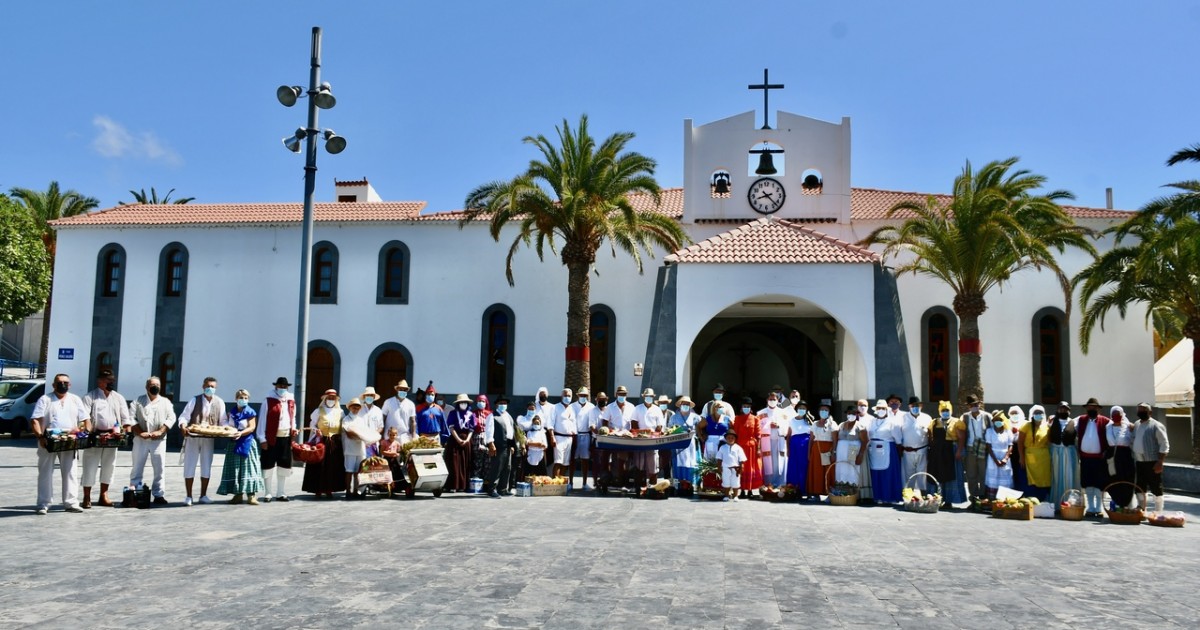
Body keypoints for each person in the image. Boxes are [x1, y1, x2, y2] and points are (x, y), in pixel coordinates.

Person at [31, 373, 89, 514]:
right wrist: (40, 437)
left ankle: (71, 502)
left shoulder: (75, 399)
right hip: (48, 441)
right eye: (59, 382)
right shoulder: (45, 399)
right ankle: (43, 503)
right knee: (45, 472)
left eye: (65, 382)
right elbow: (35, 420)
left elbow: (86, 420)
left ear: (69, 385)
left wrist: (82, 431)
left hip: (69, 441)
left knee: (70, 471)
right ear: (53, 385)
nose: (62, 385)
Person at [80, 369, 130, 508]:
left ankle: (104, 495)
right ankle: (87, 496)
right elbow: (85, 418)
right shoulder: (90, 397)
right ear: (100, 381)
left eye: (112, 381)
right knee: (90, 466)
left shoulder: (118, 398)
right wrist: (89, 433)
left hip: (113, 436)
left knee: (109, 466)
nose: (111, 383)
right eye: (108, 381)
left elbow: (126, 418)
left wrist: (126, 431)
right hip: (95, 436)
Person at [178, 376, 228, 506]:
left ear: (216, 388)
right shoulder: (195, 400)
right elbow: (184, 416)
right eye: (208, 386)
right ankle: (188, 496)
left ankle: (203, 495)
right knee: (190, 465)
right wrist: (183, 425)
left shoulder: (219, 402)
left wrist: (228, 428)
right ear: (203, 387)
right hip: (193, 436)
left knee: (206, 465)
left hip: (209, 437)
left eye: (212, 386)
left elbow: (223, 421)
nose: (210, 388)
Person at [129, 376, 175, 505]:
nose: (155, 387)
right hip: (140, 439)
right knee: (137, 467)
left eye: (157, 385)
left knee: (159, 468)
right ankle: (135, 492)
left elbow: (171, 417)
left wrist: (161, 431)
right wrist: (139, 432)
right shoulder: (138, 401)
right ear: (146, 387)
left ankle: (158, 494)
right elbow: (130, 417)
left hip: (158, 440)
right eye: (152, 385)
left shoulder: (166, 402)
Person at [216, 389, 264, 504]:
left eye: (246, 398)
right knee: (235, 468)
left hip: (246, 441)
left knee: (249, 468)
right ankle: (237, 494)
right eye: (241, 398)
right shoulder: (231, 412)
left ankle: (251, 495)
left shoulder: (250, 412)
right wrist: (228, 431)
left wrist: (241, 433)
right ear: (236, 399)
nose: (243, 400)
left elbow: (252, 427)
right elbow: (227, 424)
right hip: (233, 442)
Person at [256, 376, 299, 502]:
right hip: (271, 438)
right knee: (268, 465)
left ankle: (281, 492)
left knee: (284, 465)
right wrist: (262, 439)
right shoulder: (268, 401)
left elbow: (293, 417)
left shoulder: (291, 401)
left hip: (285, 438)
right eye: (280, 386)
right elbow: (262, 420)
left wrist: (293, 428)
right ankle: (268, 492)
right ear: (276, 387)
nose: (282, 389)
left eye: (284, 387)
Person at [302, 388, 347, 498]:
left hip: (335, 442)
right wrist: (315, 430)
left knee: (333, 466)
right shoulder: (318, 411)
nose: (331, 399)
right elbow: (312, 424)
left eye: (333, 398)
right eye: (329, 398)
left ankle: (330, 489)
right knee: (319, 465)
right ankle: (318, 489)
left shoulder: (340, 412)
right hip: (321, 440)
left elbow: (344, 426)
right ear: (325, 399)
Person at [1075, 397, 1111, 517]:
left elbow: (1118, 425)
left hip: (1099, 458)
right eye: (1089, 407)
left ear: (1098, 409)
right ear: (1086, 408)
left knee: (1099, 483)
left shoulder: (1105, 421)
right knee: (1088, 483)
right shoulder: (1080, 420)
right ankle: (1090, 507)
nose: (1091, 409)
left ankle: (1099, 507)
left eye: (1094, 407)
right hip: (1085, 458)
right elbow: (1069, 425)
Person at [1131, 402, 1169, 516]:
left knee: (1156, 487)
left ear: (1150, 412)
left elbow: (1164, 444)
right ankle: (1141, 508)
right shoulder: (1136, 424)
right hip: (1139, 462)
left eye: (1144, 410)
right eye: (1139, 410)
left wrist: (1160, 462)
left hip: (1152, 462)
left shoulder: (1156, 425)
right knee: (1139, 486)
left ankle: (1158, 511)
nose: (1141, 412)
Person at [866, 398, 903, 504]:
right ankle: (878, 496)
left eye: (883, 408)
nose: (880, 410)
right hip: (873, 450)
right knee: (876, 473)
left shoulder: (892, 422)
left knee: (887, 474)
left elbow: (898, 438)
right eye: (879, 408)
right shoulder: (872, 421)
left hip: (887, 449)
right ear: (876, 410)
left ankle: (889, 497)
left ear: (886, 410)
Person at [928, 401, 963, 507]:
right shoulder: (934, 422)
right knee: (938, 474)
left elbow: (961, 438)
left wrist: (959, 451)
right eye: (943, 410)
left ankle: (949, 500)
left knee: (951, 475)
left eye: (947, 410)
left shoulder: (957, 422)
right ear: (939, 411)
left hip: (951, 451)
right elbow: (930, 436)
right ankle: (937, 498)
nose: (945, 412)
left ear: (951, 410)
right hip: (937, 452)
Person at [957, 396, 992, 501]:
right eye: (972, 405)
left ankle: (983, 495)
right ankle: (973, 495)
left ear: (979, 404)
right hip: (970, 448)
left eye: (976, 404)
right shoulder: (965, 417)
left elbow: (992, 432)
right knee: (971, 473)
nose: (974, 407)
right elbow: (960, 432)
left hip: (983, 448)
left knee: (983, 472)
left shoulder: (987, 416)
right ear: (968, 406)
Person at [1048, 401, 1081, 511]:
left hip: (1068, 452)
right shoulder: (1051, 422)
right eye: (1061, 408)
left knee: (1068, 477)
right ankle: (1056, 503)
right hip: (1055, 452)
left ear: (1069, 410)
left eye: (1065, 409)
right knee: (1056, 477)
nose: (1063, 410)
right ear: (1057, 410)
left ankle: (1069, 503)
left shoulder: (1074, 422)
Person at [630, 388, 664, 486]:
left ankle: (653, 485)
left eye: (650, 397)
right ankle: (641, 486)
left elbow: (659, 425)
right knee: (640, 464)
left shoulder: (657, 409)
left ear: (653, 397)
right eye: (647, 396)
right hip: (640, 439)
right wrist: (639, 433)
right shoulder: (637, 408)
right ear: (644, 397)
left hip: (653, 440)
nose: (648, 398)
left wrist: (654, 434)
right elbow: (634, 422)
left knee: (653, 464)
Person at [898, 396, 932, 492]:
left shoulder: (927, 417)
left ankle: (924, 494)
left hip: (922, 450)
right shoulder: (903, 418)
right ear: (909, 406)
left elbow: (930, 434)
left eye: (917, 405)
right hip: (907, 451)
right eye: (913, 405)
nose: (915, 407)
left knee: (923, 473)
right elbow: (898, 434)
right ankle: (908, 496)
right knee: (908, 475)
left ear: (921, 406)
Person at [1019, 405, 1052, 502]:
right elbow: (1020, 442)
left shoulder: (1046, 426)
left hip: (1044, 458)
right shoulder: (1026, 426)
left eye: (1040, 413)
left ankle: (1043, 499)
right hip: (1030, 455)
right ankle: (1032, 498)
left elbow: (1049, 441)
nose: (1038, 415)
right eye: (1036, 413)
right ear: (1032, 415)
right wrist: (1021, 457)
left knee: (1044, 478)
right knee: (1031, 478)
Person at [806, 399, 838, 500]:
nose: (823, 412)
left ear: (829, 412)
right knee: (816, 471)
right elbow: (811, 439)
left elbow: (835, 440)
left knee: (828, 472)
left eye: (826, 410)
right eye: (822, 410)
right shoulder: (814, 424)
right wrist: (809, 452)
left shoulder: (832, 424)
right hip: (816, 450)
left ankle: (829, 494)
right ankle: (816, 493)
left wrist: (834, 452)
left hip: (828, 450)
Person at [484, 396, 516, 497]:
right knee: (496, 467)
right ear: (497, 404)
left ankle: (503, 489)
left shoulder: (508, 416)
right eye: (501, 403)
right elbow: (489, 431)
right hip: (498, 445)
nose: (503, 405)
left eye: (505, 403)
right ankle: (491, 489)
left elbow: (511, 431)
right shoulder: (492, 416)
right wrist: (491, 444)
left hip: (508, 445)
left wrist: (512, 445)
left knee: (507, 468)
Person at [1105, 405, 1136, 510]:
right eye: (1114, 415)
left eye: (1118, 414)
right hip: (1111, 457)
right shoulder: (1107, 427)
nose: (1116, 416)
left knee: (1126, 480)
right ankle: (1116, 502)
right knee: (1112, 480)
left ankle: (1126, 504)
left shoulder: (1128, 427)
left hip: (1125, 457)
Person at [601, 385, 635, 480]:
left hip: (627, 437)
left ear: (626, 395)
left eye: (624, 394)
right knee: (616, 459)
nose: (622, 396)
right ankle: (615, 477)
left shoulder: (631, 407)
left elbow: (634, 422)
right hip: (614, 437)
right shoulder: (610, 407)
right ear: (616, 394)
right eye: (620, 394)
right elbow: (604, 422)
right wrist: (610, 431)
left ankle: (625, 478)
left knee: (627, 459)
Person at [444, 393, 476, 492]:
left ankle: (463, 485)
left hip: (467, 439)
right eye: (461, 402)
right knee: (454, 462)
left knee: (465, 462)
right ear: (458, 404)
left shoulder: (471, 414)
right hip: (454, 439)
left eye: (465, 402)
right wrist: (458, 439)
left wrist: (466, 440)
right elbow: (451, 428)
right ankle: (453, 485)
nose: (463, 404)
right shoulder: (453, 413)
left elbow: (471, 429)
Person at [758, 392, 790, 488]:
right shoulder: (760, 413)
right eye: (770, 399)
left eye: (774, 399)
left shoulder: (783, 413)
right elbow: (758, 428)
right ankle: (768, 483)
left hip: (779, 440)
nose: (772, 401)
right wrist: (769, 426)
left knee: (779, 462)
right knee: (768, 463)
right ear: (767, 400)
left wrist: (779, 426)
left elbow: (787, 428)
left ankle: (780, 483)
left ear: (778, 400)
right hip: (766, 442)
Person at [732, 397, 762, 498]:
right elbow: (735, 434)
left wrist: (758, 449)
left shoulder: (755, 419)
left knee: (751, 468)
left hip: (751, 448)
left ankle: (750, 490)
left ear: (751, 408)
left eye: (748, 407)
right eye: (744, 406)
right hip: (740, 446)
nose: (746, 408)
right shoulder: (737, 418)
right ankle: (742, 491)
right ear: (741, 408)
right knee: (741, 468)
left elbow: (758, 435)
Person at [341, 398, 370, 499]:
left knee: (359, 471)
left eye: (357, 407)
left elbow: (366, 433)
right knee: (349, 471)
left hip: (361, 449)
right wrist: (359, 435)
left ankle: (357, 490)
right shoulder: (346, 419)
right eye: (354, 406)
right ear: (349, 407)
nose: (356, 408)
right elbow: (349, 433)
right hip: (349, 449)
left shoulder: (362, 420)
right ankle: (348, 491)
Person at [669, 395, 701, 486]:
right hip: (678, 444)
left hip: (691, 444)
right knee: (678, 465)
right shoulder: (674, 417)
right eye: (684, 404)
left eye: (687, 404)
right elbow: (669, 430)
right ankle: (678, 485)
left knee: (691, 463)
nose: (685, 405)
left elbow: (700, 428)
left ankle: (692, 485)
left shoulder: (695, 417)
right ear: (680, 405)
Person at [835, 404, 868, 491]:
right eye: (849, 413)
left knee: (851, 467)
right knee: (841, 468)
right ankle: (841, 490)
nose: (851, 415)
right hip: (841, 451)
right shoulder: (841, 425)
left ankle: (852, 491)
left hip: (853, 448)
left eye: (853, 413)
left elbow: (865, 441)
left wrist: (860, 455)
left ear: (857, 414)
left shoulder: (860, 426)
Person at [784, 399, 813, 495]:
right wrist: (788, 449)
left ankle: (805, 488)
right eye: (800, 408)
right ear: (797, 409)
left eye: (804, 408)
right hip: (794, 446)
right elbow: (788, 436)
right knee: (794, 466)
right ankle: (793, 488)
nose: (801, 410)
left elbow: (813, 435)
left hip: (805, 446)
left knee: (804, 467)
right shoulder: (792, 421)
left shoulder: (809, 420)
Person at [983, 413, 1015, 498]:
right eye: (996, 420)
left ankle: (1005, 499)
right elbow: (988, 447)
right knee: (993, 479)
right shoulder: (989, 431)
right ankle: (992, 500)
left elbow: (1010, 445)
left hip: (1005, 458)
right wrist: (996, 460)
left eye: (1000, 420)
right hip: (993, 458)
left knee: (1005, 478)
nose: (998, 422)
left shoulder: (1008, 431)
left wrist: (1006, 458)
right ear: (993, 421)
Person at [570, 387, 596, 491]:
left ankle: (585, 483)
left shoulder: (591, 407)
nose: (583, 397)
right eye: (581, 395)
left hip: (586, 435)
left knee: (585, 460)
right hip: (575, 435)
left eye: (585, 396)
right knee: (572, 460)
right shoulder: (572, 406)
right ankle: (570, 482)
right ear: (578, 396)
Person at [550, 388, 577, 485]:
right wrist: (552, 436)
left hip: (569, 438)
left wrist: (574, 437)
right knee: (558, 461)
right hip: (559, 438)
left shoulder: (571, 408)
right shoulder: (555, 407)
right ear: (561, 396)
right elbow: (550, 423)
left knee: (566, 463)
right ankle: (554, 484)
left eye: (569, 396)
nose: (567, 397)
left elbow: (573, 423)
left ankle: (560, 483)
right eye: (565, 395)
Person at [381, 379, 417, 445]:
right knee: (388, 454)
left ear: (407, 391)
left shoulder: (410, 404)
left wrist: (414, 436)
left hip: (404, 438)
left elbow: (413, 421)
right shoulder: (388, 402)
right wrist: (381, 435)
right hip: (389, 437)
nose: (403, 391)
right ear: (397, 389)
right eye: (401, 389)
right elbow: (382, 419)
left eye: (405, 390)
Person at [717, 430, 747, 502]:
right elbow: (719, 458)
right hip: (725, 468)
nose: (730, 439)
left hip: (735, 468)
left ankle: (735, 496)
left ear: (735, 439)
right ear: (726, 439)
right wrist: (719, 467)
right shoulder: (722, 448)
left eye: (732, 438)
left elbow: (741, 459)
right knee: (726, 482)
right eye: (729, 438)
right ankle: (726, 495)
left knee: (735, 482)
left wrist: (741, 467)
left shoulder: (738, 448)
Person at [1006, 405, 1028, 492]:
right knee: (1011, 472)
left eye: (1016, 413)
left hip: (1021, 450)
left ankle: (1021, 491)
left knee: (1021, 472)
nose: (1014, 415)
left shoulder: (1025, 424)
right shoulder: (1007, 424)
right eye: (1012, 413)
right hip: (1010, 450)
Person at [471, 394, 493, 483]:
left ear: (486, 402)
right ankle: (476, 480)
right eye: (479, 401)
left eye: (483, 401)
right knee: (477, 459)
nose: (481, 403)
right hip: (476, 437)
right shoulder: (473, 414)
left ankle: (486, 481)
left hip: (487, 438)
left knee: (487, 460)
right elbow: (471, 427)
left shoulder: (490, 414)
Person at [360, 387, 384, 457]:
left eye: (371, 395)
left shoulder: (378, 410)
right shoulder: (359, 409)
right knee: (363, 464)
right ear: (364, 397)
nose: (369, 397)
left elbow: (381, 427)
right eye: (368, 395)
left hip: (373, 442)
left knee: (372, 464)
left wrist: (373, 435)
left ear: (374, 397)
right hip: (362, 442)